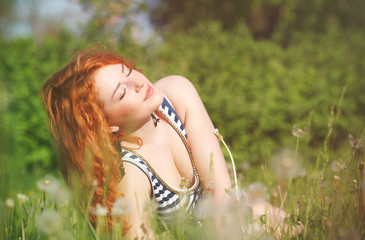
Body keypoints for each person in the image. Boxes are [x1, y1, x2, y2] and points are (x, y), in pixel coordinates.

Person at [40, 48, 234, 238]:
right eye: (122, 93)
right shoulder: (130, 173)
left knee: (260, 210)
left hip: (229, 222)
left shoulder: (176, 94)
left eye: (127, 71)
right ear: (106, 125)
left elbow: (221, 191)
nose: (138, 82)